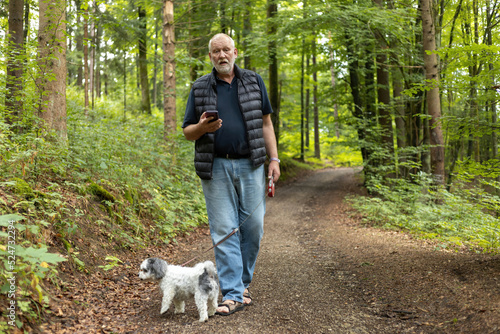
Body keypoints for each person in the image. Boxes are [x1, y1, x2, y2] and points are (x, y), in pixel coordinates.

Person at [182, 33, 280, 316]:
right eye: (216, 52)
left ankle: (242, 283)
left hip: (252, 165)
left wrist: (273, 158)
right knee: (225, 230)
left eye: (226, 50)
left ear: (235, 52)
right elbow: (188, 132)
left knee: (254, 228)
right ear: (210, 56)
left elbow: (265, 123)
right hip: (216, 168)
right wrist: (202, 129)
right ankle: (233, 293)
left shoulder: (253, 80)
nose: (222, 55)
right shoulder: (200, 87)